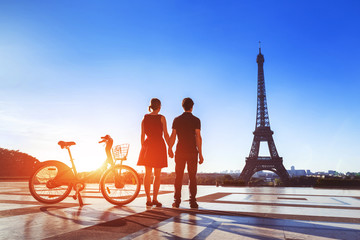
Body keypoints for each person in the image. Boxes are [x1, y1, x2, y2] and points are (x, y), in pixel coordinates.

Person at [168, 97, 204, 209]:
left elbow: (173, 136)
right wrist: (201, 153)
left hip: (180, 151)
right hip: (192, 151)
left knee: (178, 177)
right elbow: (198, 137)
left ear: (182, 107)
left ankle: (176, 201)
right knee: (192, 177)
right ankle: (193, 201)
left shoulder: (176, 119)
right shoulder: (196, 120)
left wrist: (169, 148)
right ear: (192, 107)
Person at [137, 98, 170, 207]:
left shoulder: (144, 118)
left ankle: (148, 198)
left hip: (148, 145)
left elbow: (142, 135)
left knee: (147, 174)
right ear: (159, 107)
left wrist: (143, 147)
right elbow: (165, 134)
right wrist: (170, 147)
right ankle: (155, 198)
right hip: (159, 145)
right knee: (157, 175)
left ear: (150, 106)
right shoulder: (162, 118)